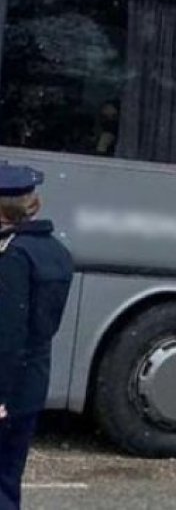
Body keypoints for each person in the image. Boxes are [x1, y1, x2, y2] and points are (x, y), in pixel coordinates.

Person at [0, 163, 74, 510]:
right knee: (8, 478)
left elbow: (8, 335)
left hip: (7, 389)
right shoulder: (56, 252)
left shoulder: (13, 255)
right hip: (31, 385)